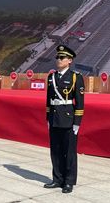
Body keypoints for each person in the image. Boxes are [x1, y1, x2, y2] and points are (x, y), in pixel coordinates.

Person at [44, 45, 85, 194]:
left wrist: (77, 123)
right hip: (54, 117)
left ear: (69, 60)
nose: (59, 60)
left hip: (68, 118)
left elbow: (80, 102)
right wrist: (48, 118)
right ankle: (57, 178)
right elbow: (48, 100)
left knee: (69, 152)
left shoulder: (76, 77)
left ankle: (68, 181)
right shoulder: (52, 77)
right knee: (55, 150)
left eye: (62, 58)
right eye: (58, 58)